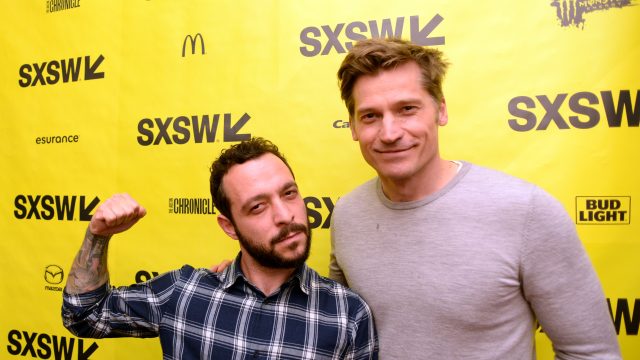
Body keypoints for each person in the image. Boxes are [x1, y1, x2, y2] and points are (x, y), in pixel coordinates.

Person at [329, 38, 621, 359]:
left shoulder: (526, 210)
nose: (389, 132)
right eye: (370, 116)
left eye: (407, 109)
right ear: (353, 126)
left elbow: (591, 352)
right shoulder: (346, 215)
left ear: (440, 110)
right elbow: (345, 336)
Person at [62, 138, 378, 359]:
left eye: (289, 193)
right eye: (257, 207)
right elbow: (83, 315)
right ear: (229, 226)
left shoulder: (347, 315)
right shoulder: (183, 292)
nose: (285, 216)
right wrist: (97, 236)